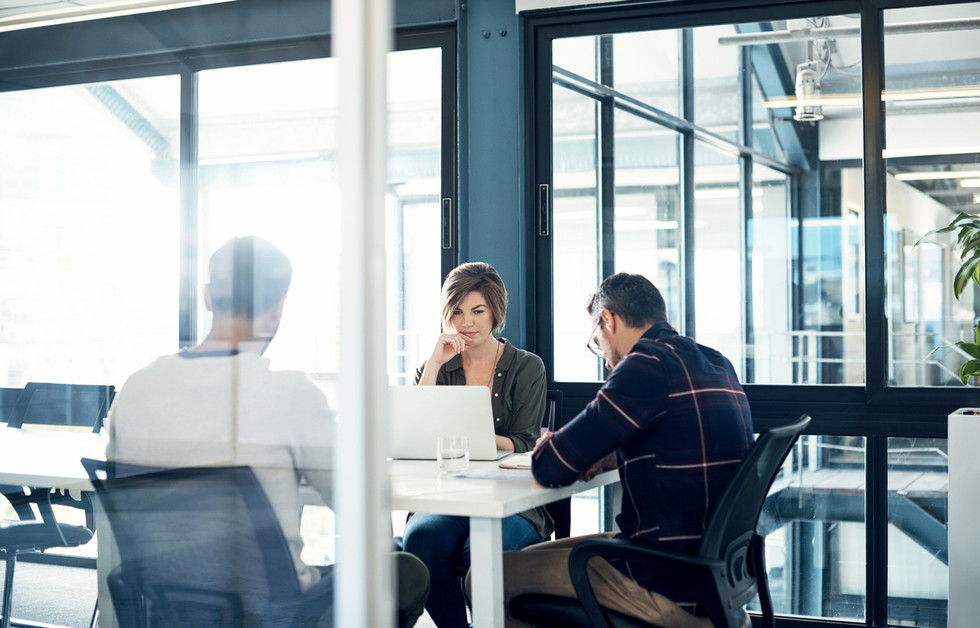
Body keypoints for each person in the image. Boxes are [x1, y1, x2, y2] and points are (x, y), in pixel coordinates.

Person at [107, 235, 429, 628]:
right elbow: (360, 501)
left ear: (208, 296)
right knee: (406, 569)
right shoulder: (290, 393)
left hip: (165, 607)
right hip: (274, 614)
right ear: (277, 310)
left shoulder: (136, 388)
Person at [494, 272, 754, 628]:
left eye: (598, 342)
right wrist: (603, 457)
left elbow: (549, 467)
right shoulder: (716, 362)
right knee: (526, 556)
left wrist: (547, 446)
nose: (604, 359)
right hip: (715, 575)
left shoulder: (645, 364)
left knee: (488, 576)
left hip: (663, 582)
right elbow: (676, 442)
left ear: (608, 319)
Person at [401, 262, 550, 628]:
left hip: (510, 497)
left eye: (477, 311)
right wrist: (435, 365)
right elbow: (415, 432)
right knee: (420, 539)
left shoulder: (527, 367)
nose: (466, 322)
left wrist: (461, 435)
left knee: (480, 553)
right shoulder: (435, 367)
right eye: (457, 312)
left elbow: (524, 441)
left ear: (495, 312)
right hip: (448, 493)